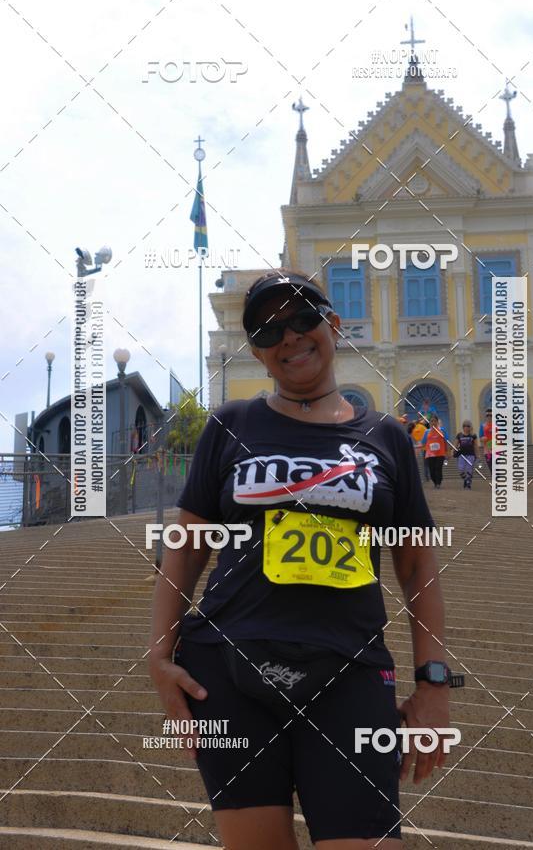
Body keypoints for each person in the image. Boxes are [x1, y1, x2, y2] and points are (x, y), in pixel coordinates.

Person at [148, 270, 458, 850]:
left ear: (333, 326)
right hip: (228, 669)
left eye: (302, 318)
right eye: (268, 330)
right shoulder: (231, 425)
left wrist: (434, 683)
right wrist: (158, 658)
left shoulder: (388, 437)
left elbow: (417, 567)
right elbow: (186, 549)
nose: (288, 336)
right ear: (256, 352)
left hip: (351, 670)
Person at [420, 414, 450, 489]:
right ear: (429, 422)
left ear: (437, 422)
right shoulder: (427, 432)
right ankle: (435, 482)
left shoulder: (442, 430)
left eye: (435, 421)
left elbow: (446, 442)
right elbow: (423, 443)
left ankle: (438, 483)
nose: (433, 422)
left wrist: (447, 452)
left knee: (438, 468)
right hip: (430, 455)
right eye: (432, 421)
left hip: (440, 454)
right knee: (432, 470)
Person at [453, 420, 478, 489]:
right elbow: (455, 444)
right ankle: (466, 479)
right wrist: (453, 451)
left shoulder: (473, 435)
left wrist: (477, 455)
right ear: (463, 427)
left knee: (469, 469)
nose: (466, 427)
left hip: (471, 455)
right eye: (464, 426)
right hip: (461, 455)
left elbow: (476, 446)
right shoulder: (459, 435)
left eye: (468, 426)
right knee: (460, 469)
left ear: (470, 427)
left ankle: (468, 483)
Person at [410, 416, 429, 481]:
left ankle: (423, 477)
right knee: (424, 464)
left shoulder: (417, 428)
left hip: (420, 447)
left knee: (421, 463)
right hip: (424, 447)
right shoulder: (423, 428)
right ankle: (425, 477)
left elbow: (414, 438)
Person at [479, 408, 494, 473]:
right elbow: (480, 438)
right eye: (488, 415)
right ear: (486, 416)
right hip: (487, 451)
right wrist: (483, 438)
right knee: (491, 468)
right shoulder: (483, 426)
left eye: (491, 415)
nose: (489, 417)